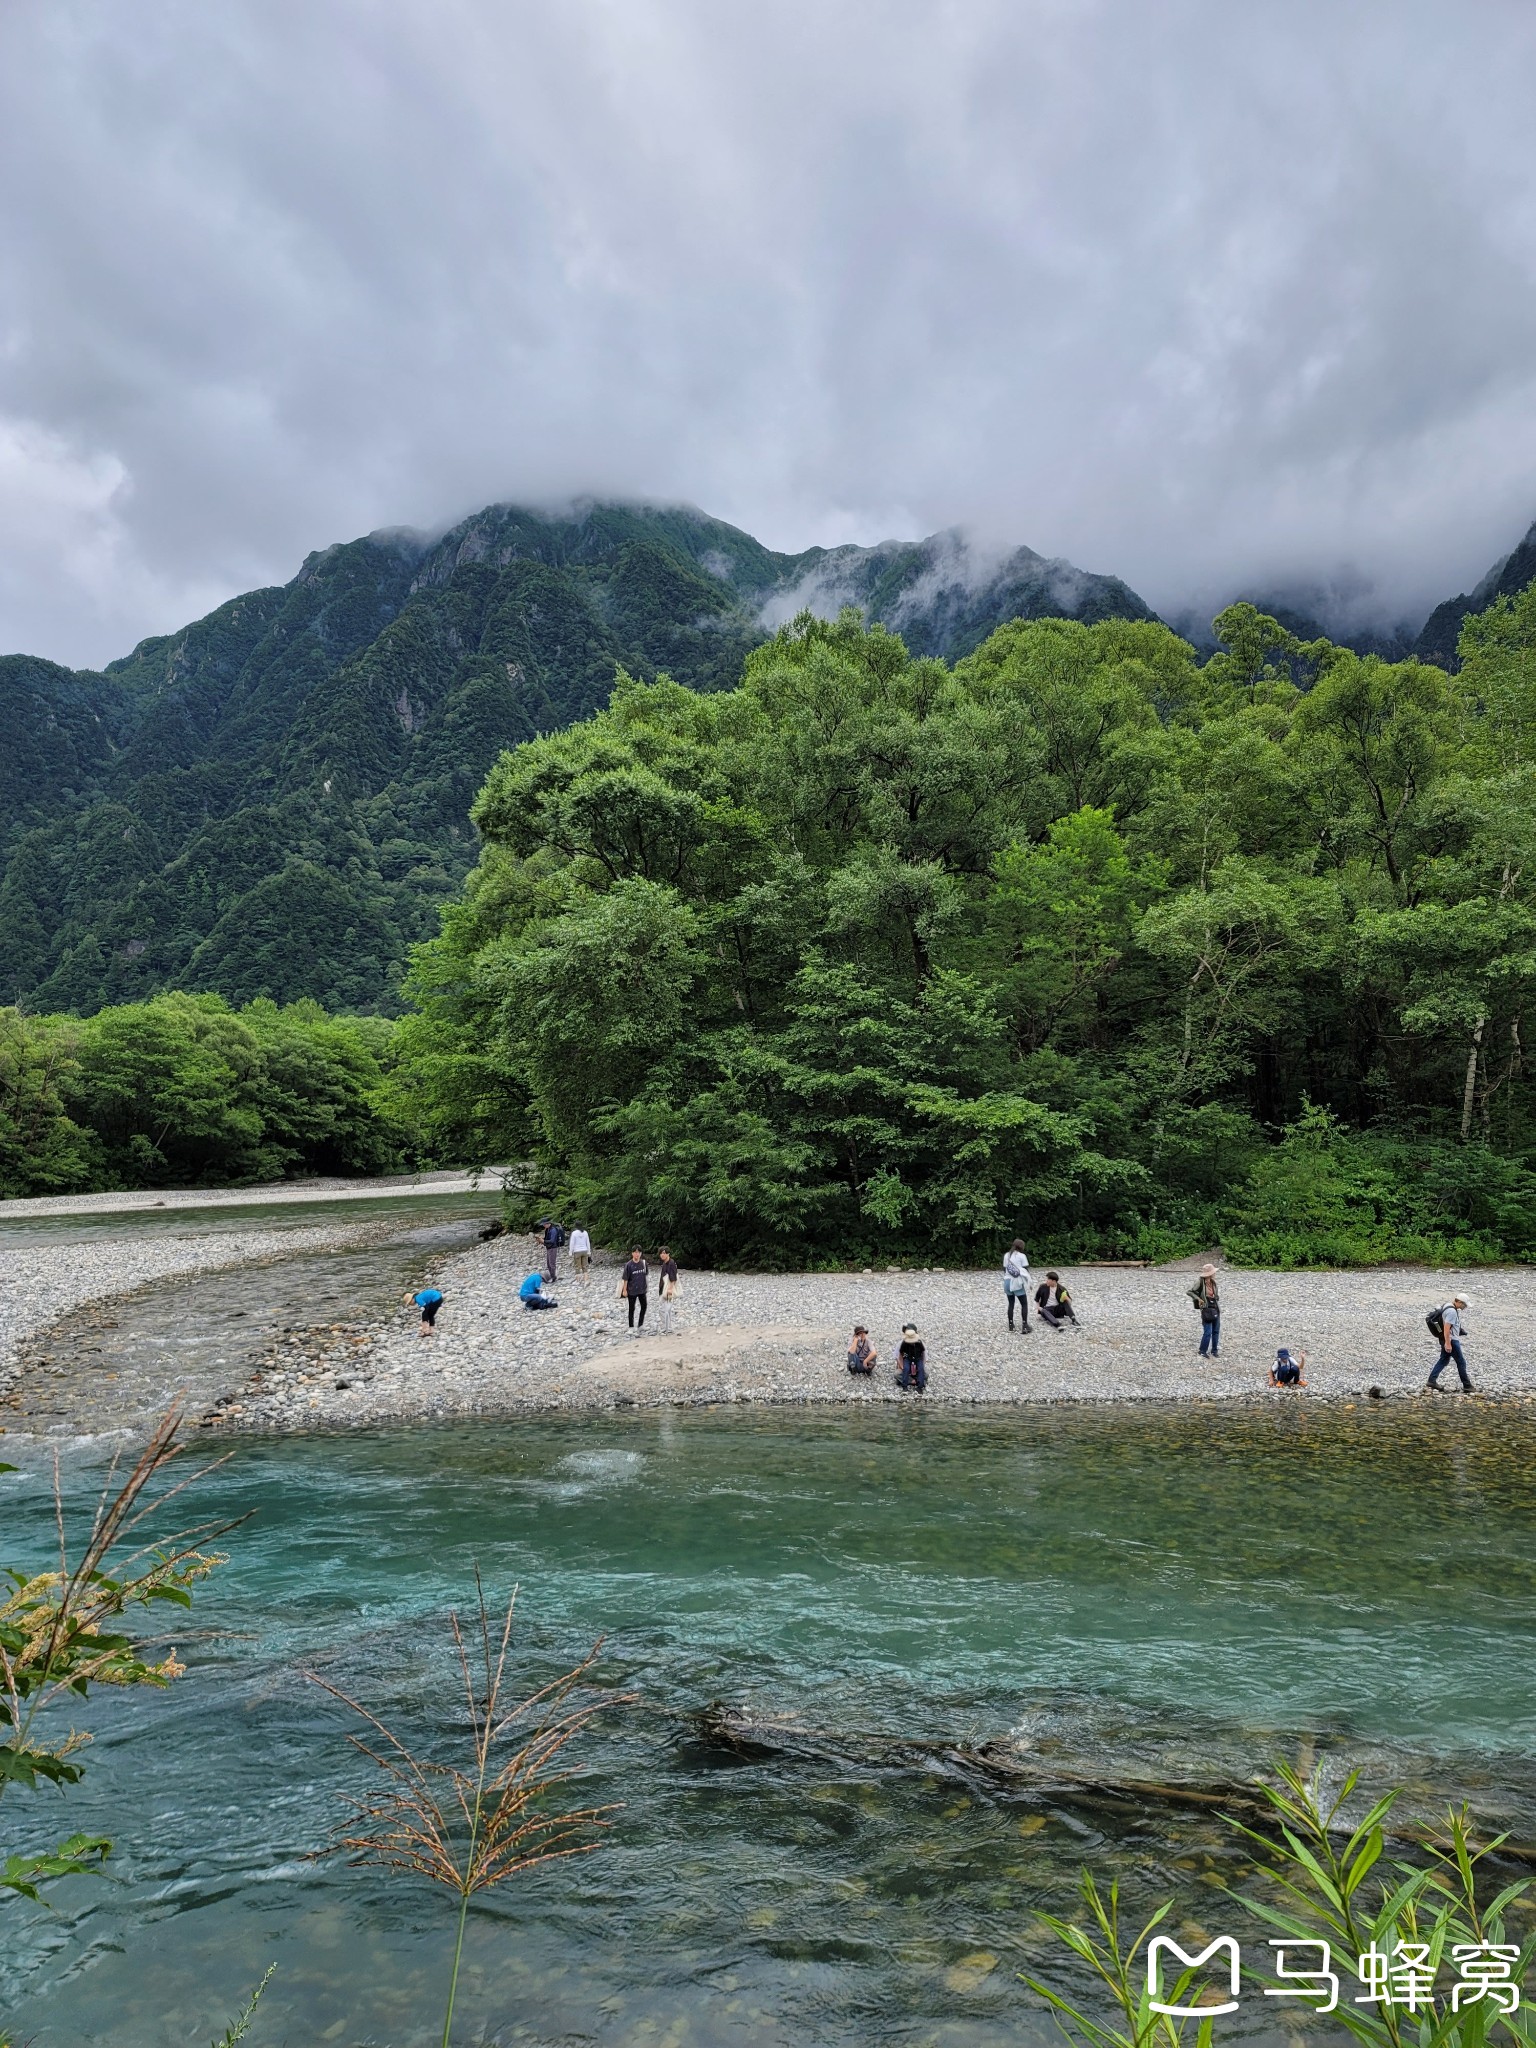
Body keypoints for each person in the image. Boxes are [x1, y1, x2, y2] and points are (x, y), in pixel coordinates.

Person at [1428, 1294, 1475, 1392]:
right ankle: (1467, 1386)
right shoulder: (1452, 1311)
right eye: (1464, 1305)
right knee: (1461, 1362)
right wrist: (1448, 1343)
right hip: (1451, 1340)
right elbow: (1446, 1328)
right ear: (1459, 1302)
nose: (1465, 1307)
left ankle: (1432, 1380)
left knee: (1444, 1360)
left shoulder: (1447, 1305)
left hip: (1446, 1339)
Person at [1188, 1265, 1221, 1358]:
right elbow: (1190, 1291)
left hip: (1215, 1308)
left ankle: (1214, 1351)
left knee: (1216, 1331)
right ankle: (1202, 1351)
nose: (1215, 1273)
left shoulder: (1213, 1282)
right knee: (1208, 1332)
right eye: (1213, 1272)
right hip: (1206, 1309)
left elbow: (1216, 1295)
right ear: (1210, 1273)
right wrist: (1198, 1299)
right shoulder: (1200, 1281)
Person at [1003, 1239, 1032, 1332]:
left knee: (1011, 1303)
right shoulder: (1022, 1256)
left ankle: (1011, 1325)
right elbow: (1025, 1269)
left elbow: (1005, 1269)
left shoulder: (1006, 1255)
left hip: (1007, 1281)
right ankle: (1024, 1325)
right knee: (1024, 1304)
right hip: (1017, 1282)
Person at [620, 1247, 649, 1331]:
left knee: (644, 1306)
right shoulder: (628, 1265)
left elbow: (646, 1274)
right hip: (632, 1290)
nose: (637, 1254)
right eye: (635, 1252)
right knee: (631, 1308)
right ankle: (631, 1326)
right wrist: (624, 1290)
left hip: (642, 1289)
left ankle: (640, 1325)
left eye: (639, 1252)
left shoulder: (643, 1263)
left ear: (641, 1253)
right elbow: (625, 1278)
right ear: (632, 1253)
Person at [895, 1324, 927, 1392]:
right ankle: (905, 1385)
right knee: (902, 1371)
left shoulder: (919, 1342)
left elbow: (923, 1354)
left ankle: (920, 1386)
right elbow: (899, 1355)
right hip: (907, 1359)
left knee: (923, 1371)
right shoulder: (903, 1343)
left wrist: (920, 1367)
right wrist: (902, 1366)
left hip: (917, 1359)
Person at [657, 1246, 681, 1332]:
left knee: (665, 1309)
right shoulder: (665, 1263)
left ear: (668, 1253)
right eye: (661, 1253)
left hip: (668, 1290)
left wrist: (670, 1289)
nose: (662, 1255)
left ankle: (667, 1328)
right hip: (663, 1289)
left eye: (664, 1253)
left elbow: (673, 1278)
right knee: (665, 1308)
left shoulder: (671, 1263)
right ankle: (668, 1327)